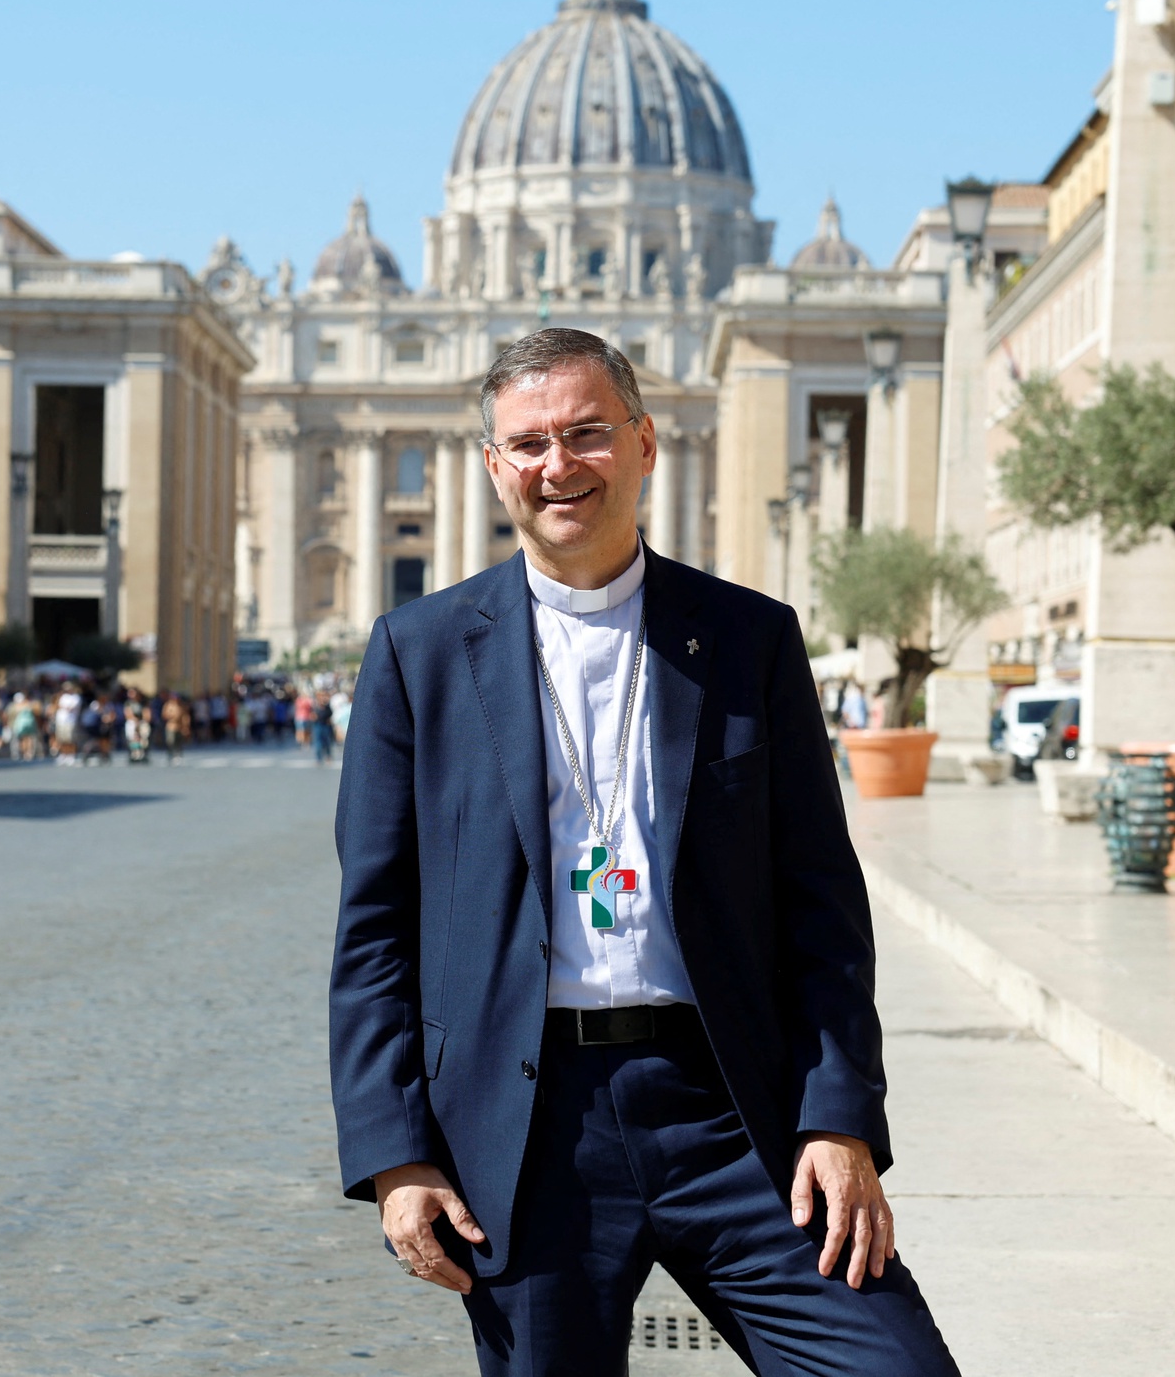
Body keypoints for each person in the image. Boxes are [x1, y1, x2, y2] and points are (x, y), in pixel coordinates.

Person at [329, 329, 956, 1376]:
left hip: (731, 1104)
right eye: (526, 443)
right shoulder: (418, 651)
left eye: (584, 433)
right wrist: (394, 1154)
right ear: (492, 466)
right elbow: (374, 928)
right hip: (528, 1128)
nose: (556, 465)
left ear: (643, 441)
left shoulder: (748, 638)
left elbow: (820, 903)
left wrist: (838, 1118)